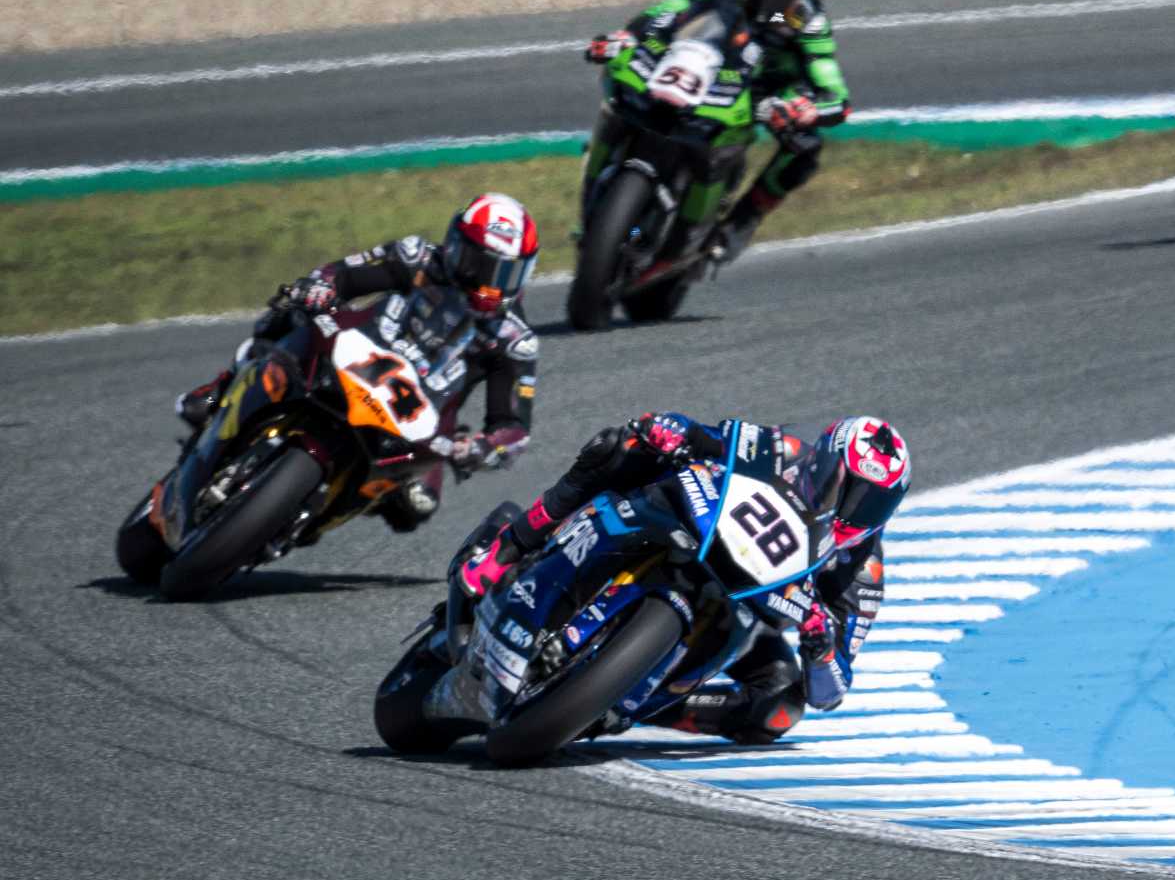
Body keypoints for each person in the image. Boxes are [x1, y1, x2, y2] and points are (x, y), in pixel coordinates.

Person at [456, 412, 909, 741]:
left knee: (781, 706)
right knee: (619, 446)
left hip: (748, 611)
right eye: (848, 488)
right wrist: (673, 429)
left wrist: (821, 645)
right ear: (824, 461)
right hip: (699, 533)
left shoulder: (862, 572)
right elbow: (707, 436)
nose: (854, 510)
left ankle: (627, 702)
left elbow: (831, 690)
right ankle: (508, 548)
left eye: (873, 503)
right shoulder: (784, 450)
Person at [173, 193, 541, 532]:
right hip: (356, 350)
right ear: (457, 247)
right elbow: (340, 274)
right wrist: (320, 289)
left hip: (419, 413)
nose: (490, 285)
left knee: (418, 505)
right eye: (482, 266)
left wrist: (482, 448)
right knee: (290, 312)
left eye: (506, 274)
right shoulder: (416, 258)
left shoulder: (513, 339)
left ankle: (314, 513)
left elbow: (513, 428)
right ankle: (221, 387)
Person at [583, 0, 849, 265]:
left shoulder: (804, 19)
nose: (766, 3)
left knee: (805, 147)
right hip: (703, 67)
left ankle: (742, 223)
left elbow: (834, 92)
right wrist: (628, 37)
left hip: (765, 92)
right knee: (626, 89)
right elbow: (670, 11)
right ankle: (609, 194)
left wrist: (807, 109)